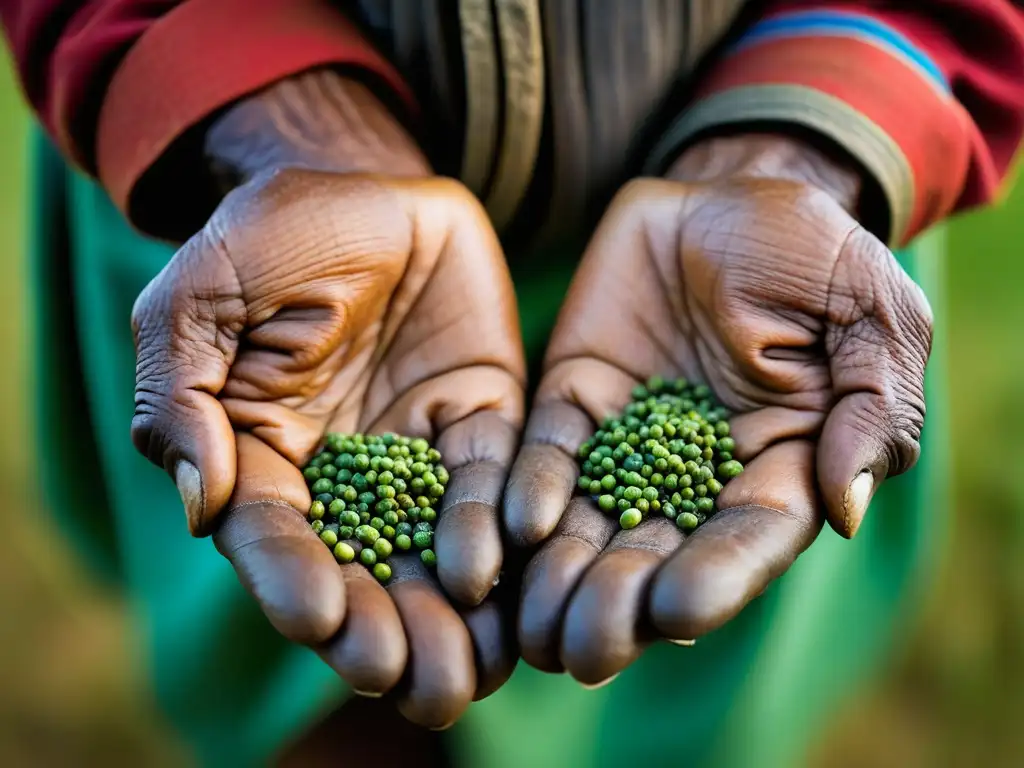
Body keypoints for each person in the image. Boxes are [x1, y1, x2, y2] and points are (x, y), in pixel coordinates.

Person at [3, 1, 1023, 765]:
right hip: (286, 274)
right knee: (321, 678)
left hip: (733, 297)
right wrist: (291, 126)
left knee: (680, 678)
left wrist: (797, 144)